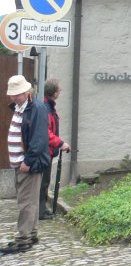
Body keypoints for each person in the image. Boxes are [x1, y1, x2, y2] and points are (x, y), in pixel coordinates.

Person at [1, 75, 50, 255]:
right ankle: (32, 234)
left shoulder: (36, 108)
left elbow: (39, 139)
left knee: (25, 203)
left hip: (28, 165)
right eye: (12, 95)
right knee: (30, 202)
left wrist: (27, 162)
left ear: (27, 92)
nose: (14, 98)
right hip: (20, 164)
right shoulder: (21, 107)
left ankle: (23, 240)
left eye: (17, 94)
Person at [38, 78, 70, 220]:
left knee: (44, 182)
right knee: (43, 182)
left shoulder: (48, 107)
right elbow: (46, 132)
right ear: (54, 93)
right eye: (59, 89)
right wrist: (60, 143)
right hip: (44, 152)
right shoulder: (46, 108)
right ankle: (40, 212)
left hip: (47, 151)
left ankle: (42, 210)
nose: (60, 91)